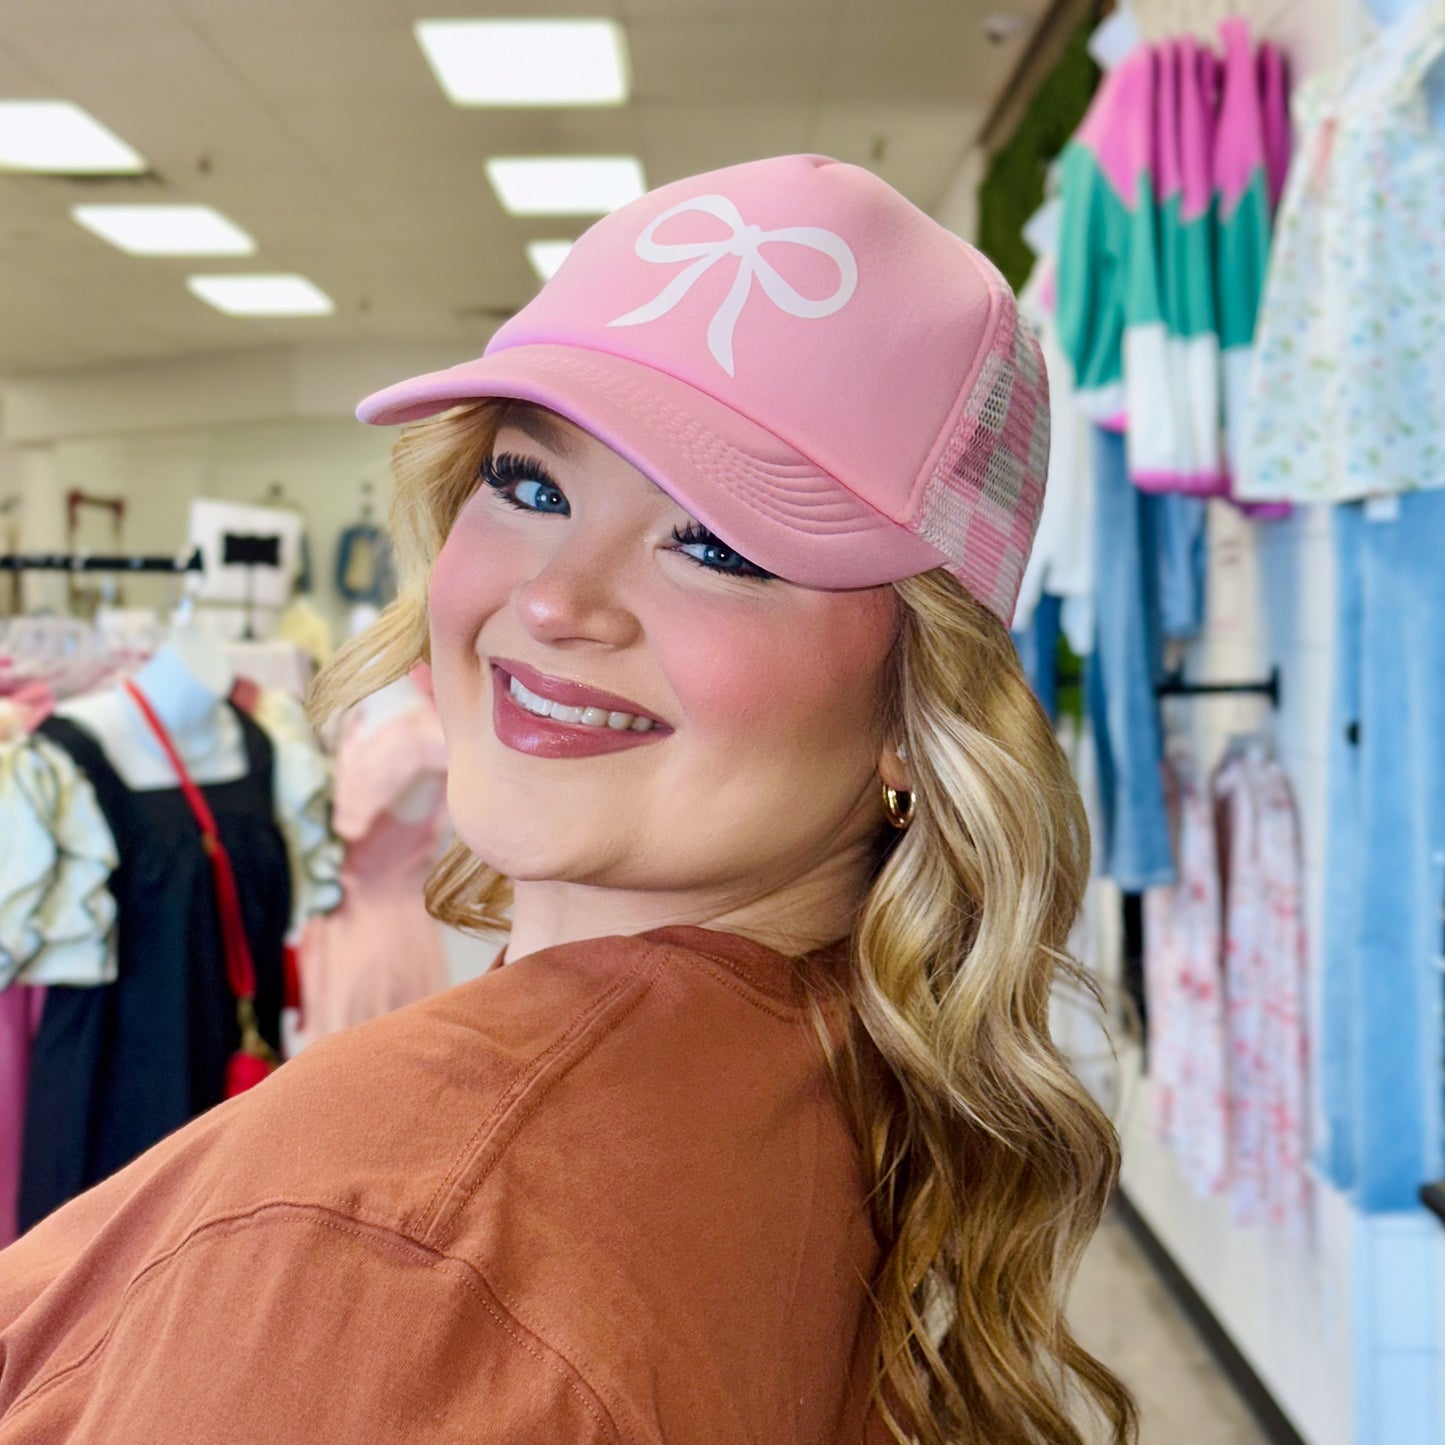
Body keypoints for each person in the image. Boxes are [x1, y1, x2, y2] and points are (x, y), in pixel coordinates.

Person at [0, 155, 1136, 1445]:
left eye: (717, 544)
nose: (552, 600)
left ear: (917, 709)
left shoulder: (393, 1244)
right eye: (531, 485)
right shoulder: (832, 1070)